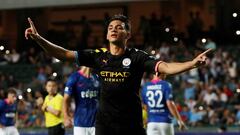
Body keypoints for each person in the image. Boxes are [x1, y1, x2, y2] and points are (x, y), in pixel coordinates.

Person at [25, 14, 211, 135]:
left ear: (128, 34)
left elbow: (167, 68)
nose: (114, 29)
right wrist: (38, 38)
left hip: (131, 125)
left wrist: (192, 64)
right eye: (111, 27)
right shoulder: (98, 57)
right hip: (105, 125)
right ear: (106, 35)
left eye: (120, 27)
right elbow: (63, 54)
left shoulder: (137, 57)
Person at [63, 66, 100, 135]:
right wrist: (66, 117)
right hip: (80, 124)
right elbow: (65, 99)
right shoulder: (74, 77)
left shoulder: (97, 77)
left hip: (96, 124)